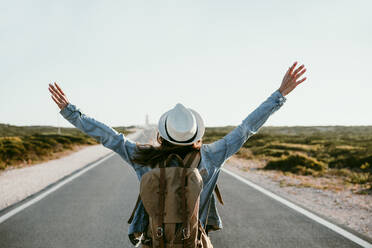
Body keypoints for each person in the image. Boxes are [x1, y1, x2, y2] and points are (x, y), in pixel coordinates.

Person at [48, 61, 307, 246]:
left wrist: (71, 111)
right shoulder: (211, 156)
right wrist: (280, 95)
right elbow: (246, 129)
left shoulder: (144, 157)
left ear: (162, 133)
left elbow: (109, 137)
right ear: (196, 134)